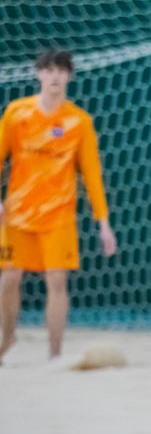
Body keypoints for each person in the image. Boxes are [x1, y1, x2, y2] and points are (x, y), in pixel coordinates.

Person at [0, 49, 117, 364]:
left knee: (57, 281)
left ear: (69, 77)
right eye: (49, 70)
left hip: (59, 215)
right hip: (18, 214)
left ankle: (54, 353)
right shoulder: (16, 113)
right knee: (8, 280)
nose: (55, 77)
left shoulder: (79, 121)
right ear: (38, 74)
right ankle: (6, 337)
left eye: (61, 71)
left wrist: (103, 223)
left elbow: (92, 175)